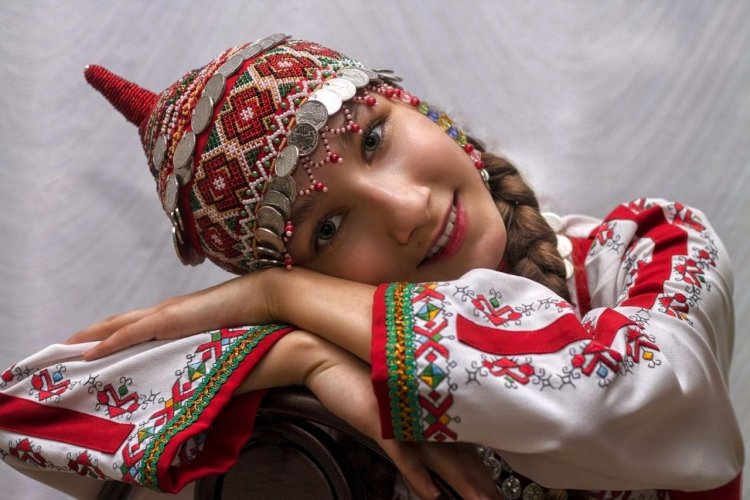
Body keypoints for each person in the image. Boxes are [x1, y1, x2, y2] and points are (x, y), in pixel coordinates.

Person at [0, 34, 743, 499]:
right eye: (327, 228)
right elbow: (23, 411)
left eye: (374, 140)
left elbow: (630, 399)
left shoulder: (653, 247)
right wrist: (302, 355)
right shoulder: (359, 374)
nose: (406, 210)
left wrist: (279, 295)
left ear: (416, 107)